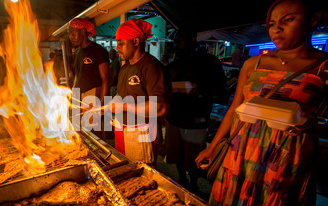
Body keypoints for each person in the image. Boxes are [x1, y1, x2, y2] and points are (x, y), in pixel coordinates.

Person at [195, 0, 328, 206]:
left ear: (314, 20)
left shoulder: (323, 66)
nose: (276, 29)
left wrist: (310, 125)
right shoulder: (253, 64)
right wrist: (212, 145)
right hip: (241, 152)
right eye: (271, 24)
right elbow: (234, 109)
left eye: (287, 21)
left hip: (287, 158)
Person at [165, 26, 227, 196]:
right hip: (174, 117)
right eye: (175, 39)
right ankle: (181, 179)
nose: (176, 42)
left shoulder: (209, 62)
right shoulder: (173, 64)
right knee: (176, 154)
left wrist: (201, 91)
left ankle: (193, 184)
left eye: (180, 38)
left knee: (194, 156)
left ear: (192, 39)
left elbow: (222, 91)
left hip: (196, 118)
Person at [106, 19, 170, 165]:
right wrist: (111, 104)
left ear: (135, 41)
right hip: (122, 128)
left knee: (140, 175)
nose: (117, 48)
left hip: (141, 132)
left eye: (121, 43)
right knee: (124, 168)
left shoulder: (151, 67)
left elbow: (160, 107)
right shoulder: (125, 68)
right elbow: (121, 94)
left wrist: (124, 107)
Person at [68, 18, 110, 137]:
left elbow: (106, 79)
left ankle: (99, 154)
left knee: (93, 132)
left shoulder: (99, 51)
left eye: (73, 33)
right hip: (79, 96)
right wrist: (74, 94)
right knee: (81, 130)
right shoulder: (77, 52)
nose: (71, 37)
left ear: (82, 31)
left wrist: (102, 105)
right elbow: (77, 75)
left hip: (93, 95)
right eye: (70, 34)